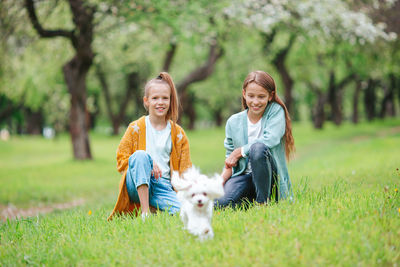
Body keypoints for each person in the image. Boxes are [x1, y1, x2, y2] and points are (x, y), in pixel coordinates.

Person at [108, 72, 192, 220]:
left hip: (163, 187)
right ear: (146, 101)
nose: (160, 102)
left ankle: (155, 206)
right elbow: (121, 160)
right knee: (141, 155)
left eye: (165, 98)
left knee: (185, 213)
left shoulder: (178, 134)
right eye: (155, 98)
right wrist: (149, 161)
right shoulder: (136, 128)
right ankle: (145, 211)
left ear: (170, 100)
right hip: (136, 183)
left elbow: (185, 170)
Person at [215, 70, 295, 208]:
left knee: (257, 148)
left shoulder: (276, 112)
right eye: (251, 96)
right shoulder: (233, 122)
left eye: (261, 96)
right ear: (244, 94)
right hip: (244, 177)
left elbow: (271, 139)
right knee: (219, 203)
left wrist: (241, 151)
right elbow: (230, 159)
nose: (255, 102)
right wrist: (218, 182)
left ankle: (263, 203)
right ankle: (252, 203)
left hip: (270, 177)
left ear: (270, 96)